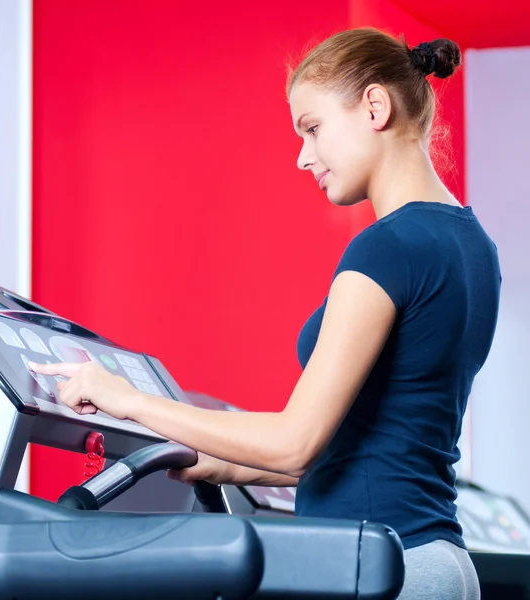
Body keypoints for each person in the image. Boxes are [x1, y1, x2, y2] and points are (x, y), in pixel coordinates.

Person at [30, 27, 501, 599]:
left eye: (313, 128)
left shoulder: (389, 247)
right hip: (437, 564)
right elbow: (374, 450)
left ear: (375, 106)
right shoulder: (474, 246)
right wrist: (220, 463)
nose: (304, 157)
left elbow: (294, 442)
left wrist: (125, 399)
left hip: (381, 566)